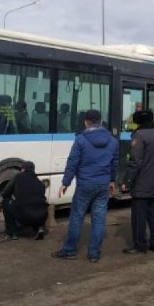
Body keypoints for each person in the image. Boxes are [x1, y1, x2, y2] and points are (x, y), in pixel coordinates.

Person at [52, 110, 119, 263]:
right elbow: (115, 163)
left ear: (85, 122)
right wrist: (112, 181)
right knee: (99, 219)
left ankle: (70, 250)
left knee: (77, 217)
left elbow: (73, 162)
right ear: (101, 122)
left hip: (85, 184)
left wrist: (66, 182)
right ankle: (94, 254)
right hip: (103, 185)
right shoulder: (113, 141)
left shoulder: (81, 140)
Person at [121, 110, 154, 254]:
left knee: (139, 216)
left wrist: (127, 180)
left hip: (141, 181)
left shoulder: (139, 135)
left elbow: (135, 161)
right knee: (152, 214)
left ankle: (140, 245)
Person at [1, 161, 48, 240]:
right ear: (33, 170)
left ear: (22, 169)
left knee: (6, 202)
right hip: (43, 216)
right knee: (37, 205)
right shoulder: (39, 182)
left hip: (26, 216)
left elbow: (5, 193)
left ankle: (12, 233)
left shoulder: (18, 177)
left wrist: (14, 196)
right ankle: (39, 228)